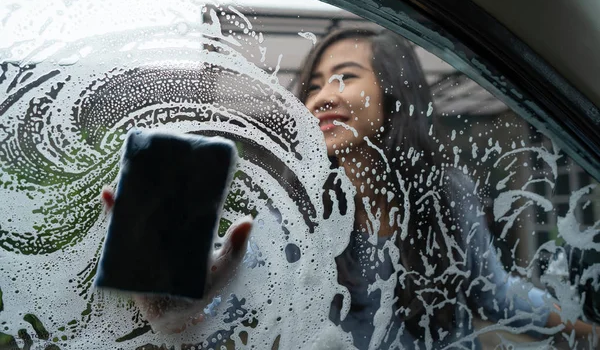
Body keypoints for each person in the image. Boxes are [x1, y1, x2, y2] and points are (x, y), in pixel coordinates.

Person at [100, 27, 597, 347]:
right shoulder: (293, 213)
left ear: (394, 90)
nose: (320, 96)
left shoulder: (446, 190)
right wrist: (179, 306)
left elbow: (494, 293)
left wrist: (583, 331)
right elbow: (233, 311)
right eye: (314, 84)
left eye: (344, 77)